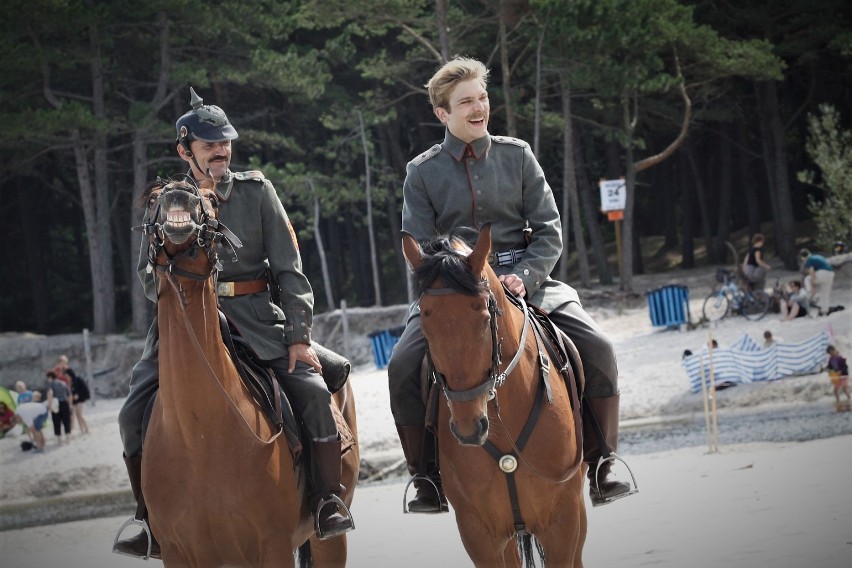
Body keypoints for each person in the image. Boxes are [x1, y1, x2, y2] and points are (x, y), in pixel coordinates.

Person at [114, 88, 353, 559]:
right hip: (184, 329)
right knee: (130, 414)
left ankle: (326, 501)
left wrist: (299, 336)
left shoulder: (255, 191)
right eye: (209, 145)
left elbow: (290, 269)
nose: (221, 151)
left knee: (313, 393)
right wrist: (181, 282)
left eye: (225, 142)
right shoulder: (164, 204)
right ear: (186, 151)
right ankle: (148, 520)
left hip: (258, 323)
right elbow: (147, 280)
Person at [389, 56, 633, 510]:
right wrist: (465, 277)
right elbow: (421, 249)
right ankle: (426, 477)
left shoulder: (517, 154)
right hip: (456, 295)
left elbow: (549, 231)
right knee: (402, 366)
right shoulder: (420, 172)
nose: (478, 107)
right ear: (443, 113)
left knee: (598, 346)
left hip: (529, 282)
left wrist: (522, 276)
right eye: (466, 101)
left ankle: (603, 463)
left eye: (482, 97)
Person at [799, 248, 835, 316]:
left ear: (803, 257)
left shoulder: (809, 259)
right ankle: (824, 311)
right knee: (825, 294)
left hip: (822, 272)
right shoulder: (818, 256)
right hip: (831, 274)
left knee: (807, 279)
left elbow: (811, 271)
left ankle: (812, 293)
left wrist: (812, 286)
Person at [46, 370, 72, 444]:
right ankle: (68, 438)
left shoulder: (50, 384)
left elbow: (50, 393)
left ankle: (59, 440)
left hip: (55, 404)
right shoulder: (63, 383)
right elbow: (69, 394)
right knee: (66, 421)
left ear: (50, 377)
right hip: (64, 403)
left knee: (56, 422)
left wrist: (50, 405)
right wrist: (70, 405)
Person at [55, 355, 80, 432]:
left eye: (66, 362)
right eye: (64, 362)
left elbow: (73, 380)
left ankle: (71, 428)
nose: (65, 364)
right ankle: (67, 427)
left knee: (70, 409)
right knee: (62, 411)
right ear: (60, 362)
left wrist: (74, 391)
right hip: (60, 393)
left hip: (68, 391)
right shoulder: (56, 370)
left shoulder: (67, 369)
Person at [69, 366, 91, 434]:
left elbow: (84, 389)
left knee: (80, 415)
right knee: (77, 415)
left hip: (80, 400)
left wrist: (78, 394)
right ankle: (81, 429)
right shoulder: (70, 382)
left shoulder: (78, 379)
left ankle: (87, 429)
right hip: (75, 401)